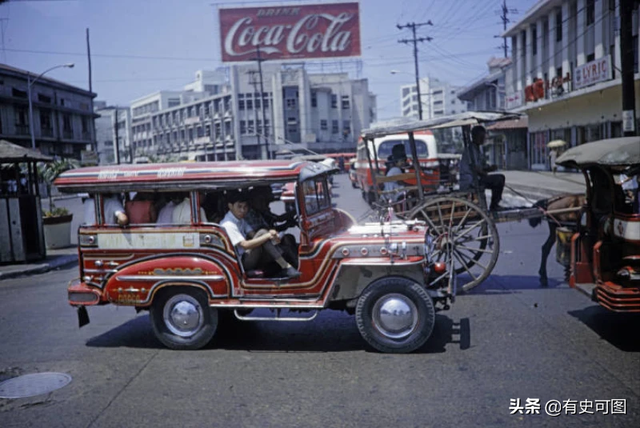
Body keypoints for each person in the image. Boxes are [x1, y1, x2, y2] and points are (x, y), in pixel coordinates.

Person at [221, 190, 301, 279]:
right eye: (239, 207)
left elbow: (254, 235)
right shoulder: (228, 224)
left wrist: (271, 236)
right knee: (263, 233)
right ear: (230, 206)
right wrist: (267, 235)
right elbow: (245, 245)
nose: (242, 210)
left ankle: (296, 267)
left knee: (285, 242)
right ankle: (285, 266)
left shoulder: (241, 220)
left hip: (251, 255)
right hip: (242, 262)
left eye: (245, 207)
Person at [246, 186, 298, 266]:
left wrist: (290, 220)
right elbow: (263, 231)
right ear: (253, 200)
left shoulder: (259, 212)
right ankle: (293, 267)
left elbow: (275, 220)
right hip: (259, 247)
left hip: (268, 240)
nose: (264, 202)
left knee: (289, 238)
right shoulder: (249, 215)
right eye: (261, 200)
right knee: (286, 244)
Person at [459, 125, 506, 211]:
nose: (483, 139)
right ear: (475, 136)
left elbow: (482, 166)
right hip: (470, 181)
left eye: (483, 137)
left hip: (476, 179)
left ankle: (495, 203)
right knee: (498, 179)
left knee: (500, 178)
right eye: (481, 137)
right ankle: (494, 205)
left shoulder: (478, 149)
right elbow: (475, 168)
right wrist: (484, 173)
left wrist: (490, 168)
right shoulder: (470, 150)